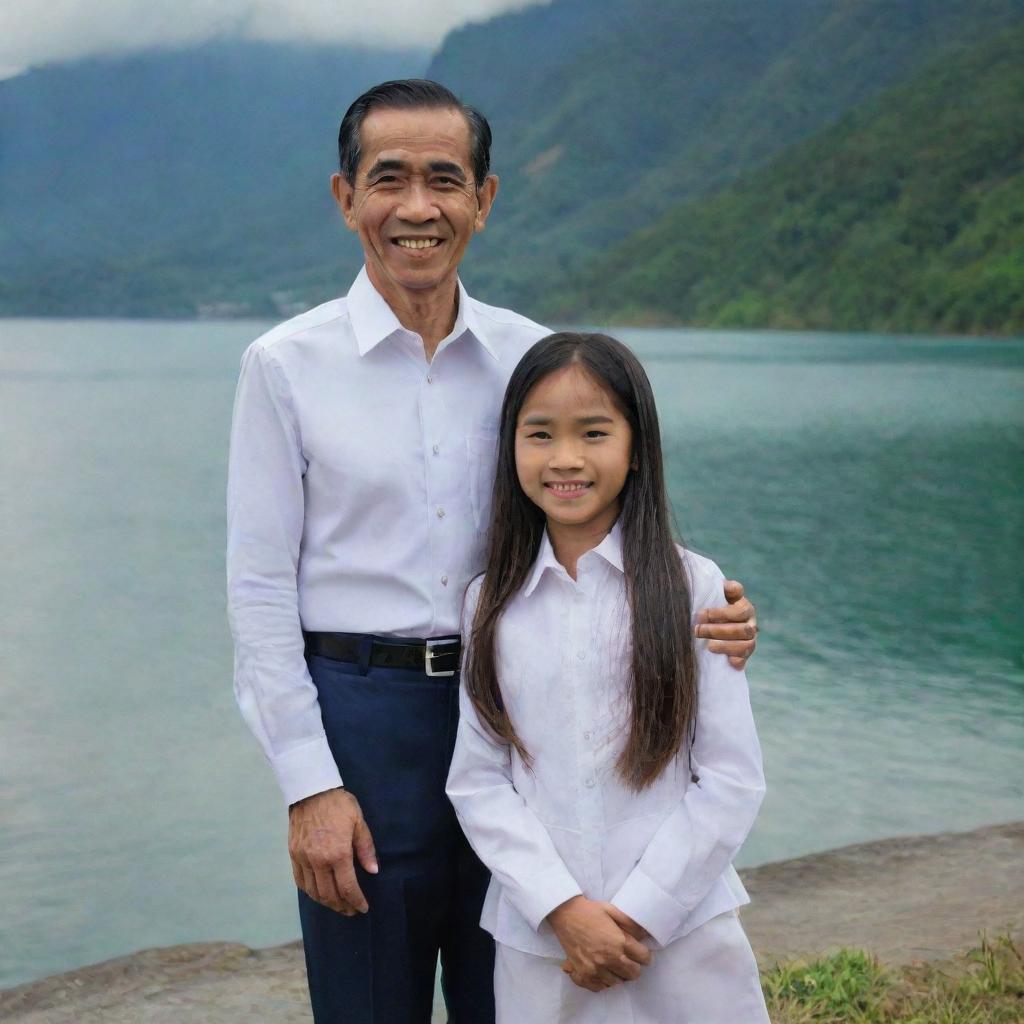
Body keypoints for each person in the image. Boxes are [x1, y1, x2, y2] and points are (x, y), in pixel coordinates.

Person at [226, 80, 758, 1024]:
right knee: (367, 1003)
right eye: (389, 179)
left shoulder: (532, 356)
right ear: (346, 198)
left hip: (526, 724)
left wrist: (705, 607)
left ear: (485, 198)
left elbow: (597, 505)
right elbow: (260, 589)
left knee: (519, 995)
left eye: (446, 179)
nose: (418, 208)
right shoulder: (284, 365)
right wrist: (310, 785)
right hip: (364, 723)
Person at [447, 332, 769, 1023]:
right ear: (511, 448)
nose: (566, 459)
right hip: (546, 943)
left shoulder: (691, 586)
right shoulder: (488, 604)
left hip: (682, 937)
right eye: (540, 435)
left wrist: (640, 913)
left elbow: (732, 777)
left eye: (594, 433)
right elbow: (478, 781)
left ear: (636, 445)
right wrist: (564, 911)